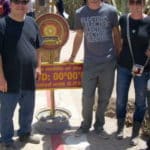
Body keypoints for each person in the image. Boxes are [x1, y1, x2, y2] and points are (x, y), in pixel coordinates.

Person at [67, 0, 121, 137]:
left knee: (104, 97)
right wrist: (72, 57)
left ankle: (99, 126)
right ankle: (85, 125)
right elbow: (79, 35)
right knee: (87, 97)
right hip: (90, 63)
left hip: (108, 63)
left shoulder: (111, 11)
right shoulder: (80, 13)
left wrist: (118, 55)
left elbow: (116, 33)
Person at [0, 0, 43, 149]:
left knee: (27, 108)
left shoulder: (32, 22)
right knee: (6, 112)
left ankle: (25, 133)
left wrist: (39, 66)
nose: (20, 5)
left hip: (28, 77)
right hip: (9, 79)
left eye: (24, 2)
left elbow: (38, 47)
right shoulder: (2, 24)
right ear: (10, 4)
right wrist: (1, 78)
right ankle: (6, 139)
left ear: (27, 5)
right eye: (16, 2)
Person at [115, 0, 150, 146]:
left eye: (139, 3)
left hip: (143, 69)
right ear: (129, 4)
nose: (135, 6)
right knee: (120, 99)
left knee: (141, 103)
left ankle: (135, 133)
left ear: (144, 5)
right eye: (133, 3)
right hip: (123, 67)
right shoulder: (123, 19)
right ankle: (120, 128)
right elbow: (119, 40)